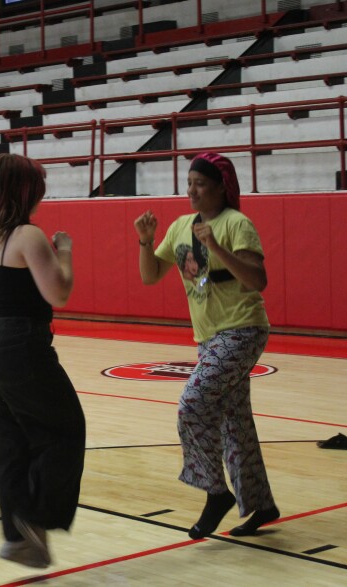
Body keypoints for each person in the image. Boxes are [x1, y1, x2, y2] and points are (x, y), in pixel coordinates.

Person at [134, 152, 280, 539]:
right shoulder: (182, 226)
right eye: (189, 182)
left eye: (200, 183)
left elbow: (257, 280)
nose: (192, 190)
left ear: (220, 187)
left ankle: (216, 492)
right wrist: (146, 241)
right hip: (209, 337)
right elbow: (150, 276)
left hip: (243, 330)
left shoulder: (237, 224)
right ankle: (261, 505)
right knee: (235, 423)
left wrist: (216, 246)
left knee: (193, 404)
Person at [0, 153, 86, 569]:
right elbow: (59, 293)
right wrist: (65, 252)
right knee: (65, 430)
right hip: (18, 344)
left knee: (10, 442)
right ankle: (36, 519)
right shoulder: (29, 235)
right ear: (26, 188)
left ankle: (19, 538)